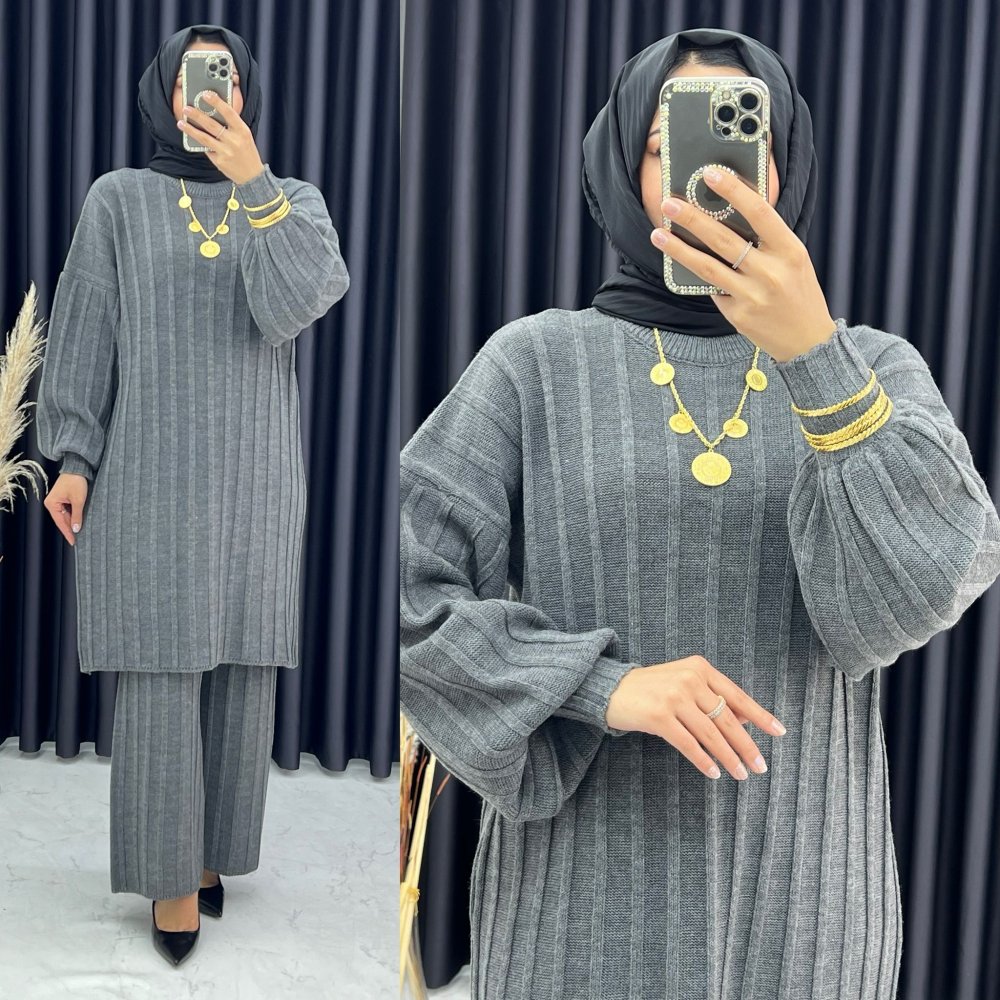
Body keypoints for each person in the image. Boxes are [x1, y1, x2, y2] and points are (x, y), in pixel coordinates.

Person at [399, 27, 1000, 1000]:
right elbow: (402, 597)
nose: (713, 173)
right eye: (667, 142)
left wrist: (815, 358)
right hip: (582, 909)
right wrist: (599, 686)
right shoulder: (534, 363)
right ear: (621, 165)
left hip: (807, 908)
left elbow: (932, 578)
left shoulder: (873, 368)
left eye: (743, 137)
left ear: (784, 164)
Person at [35, 23, 349, 967]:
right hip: (149, 473)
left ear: (245, 94)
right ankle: (170, 880)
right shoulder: (119, 198)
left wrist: (254, 183)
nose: (206, 93)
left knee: (242, 669)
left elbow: (299, 301)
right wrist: (74, 454)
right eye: (189, 77)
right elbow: (86, 327)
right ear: (161, 92)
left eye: (223, 78)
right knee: (161, 668)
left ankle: (210, 853)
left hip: (256, 474)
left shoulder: (291, 199)